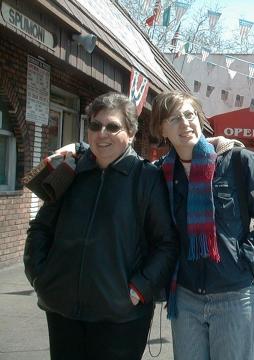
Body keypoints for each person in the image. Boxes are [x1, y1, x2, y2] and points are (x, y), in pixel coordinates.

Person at [23, 92, 178, 360]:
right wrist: (39, 276)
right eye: (95, 125)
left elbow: (166, 243)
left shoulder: (146, 178)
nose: (101, 133)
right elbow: (41, 227)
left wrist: (138, 290)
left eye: (113, 126)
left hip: (120, 316)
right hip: (62, 309)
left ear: (130, 133)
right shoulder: (70, 170)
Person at [150, 90, 254, 360]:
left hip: (236, 296)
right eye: (174, 118)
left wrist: (245, 257)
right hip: (186, 298)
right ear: (161, 128)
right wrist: (79, 149)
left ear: (200, 118)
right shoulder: (162, 173)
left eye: (189, 115)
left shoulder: (238, 161)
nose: (185, 123)